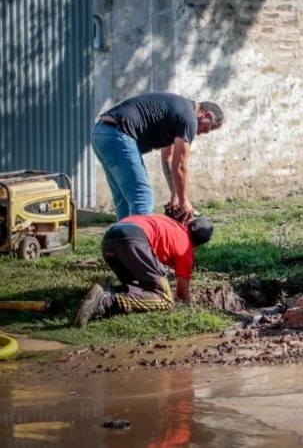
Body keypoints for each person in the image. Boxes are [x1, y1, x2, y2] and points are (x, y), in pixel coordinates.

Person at [92, 92, 224, 222]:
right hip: (118, 134)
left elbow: (168, 159)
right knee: (143, 198)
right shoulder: (190, 119)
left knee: (124, 201)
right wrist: (184, 201)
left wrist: (175, 195)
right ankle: (140, 241)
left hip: (101, 133)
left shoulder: (179, 111)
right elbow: (180, 166)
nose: (200, 133)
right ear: (206, 115)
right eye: (206, 129)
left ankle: (123, 241)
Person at [74, 213, 214, 328]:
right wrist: (189, 305)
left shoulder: (171, 223)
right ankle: (105, 301)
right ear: (200, 245)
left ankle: (107, 288)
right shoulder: (186, 248)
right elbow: (182, 294)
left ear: (190, 224)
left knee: (140, 287)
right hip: (133, 241)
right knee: (165, 298)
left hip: (109, 238)